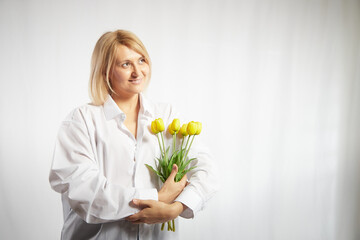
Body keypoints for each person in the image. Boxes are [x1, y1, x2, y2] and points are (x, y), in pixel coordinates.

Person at [49, 29, 218, 240]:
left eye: (141, 60)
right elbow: (86, 193)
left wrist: (176, 207)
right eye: (126, 64)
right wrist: (157, 197)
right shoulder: (81, 120)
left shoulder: (165, 115)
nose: (138, 72)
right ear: (105, 71)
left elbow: (205, 168)